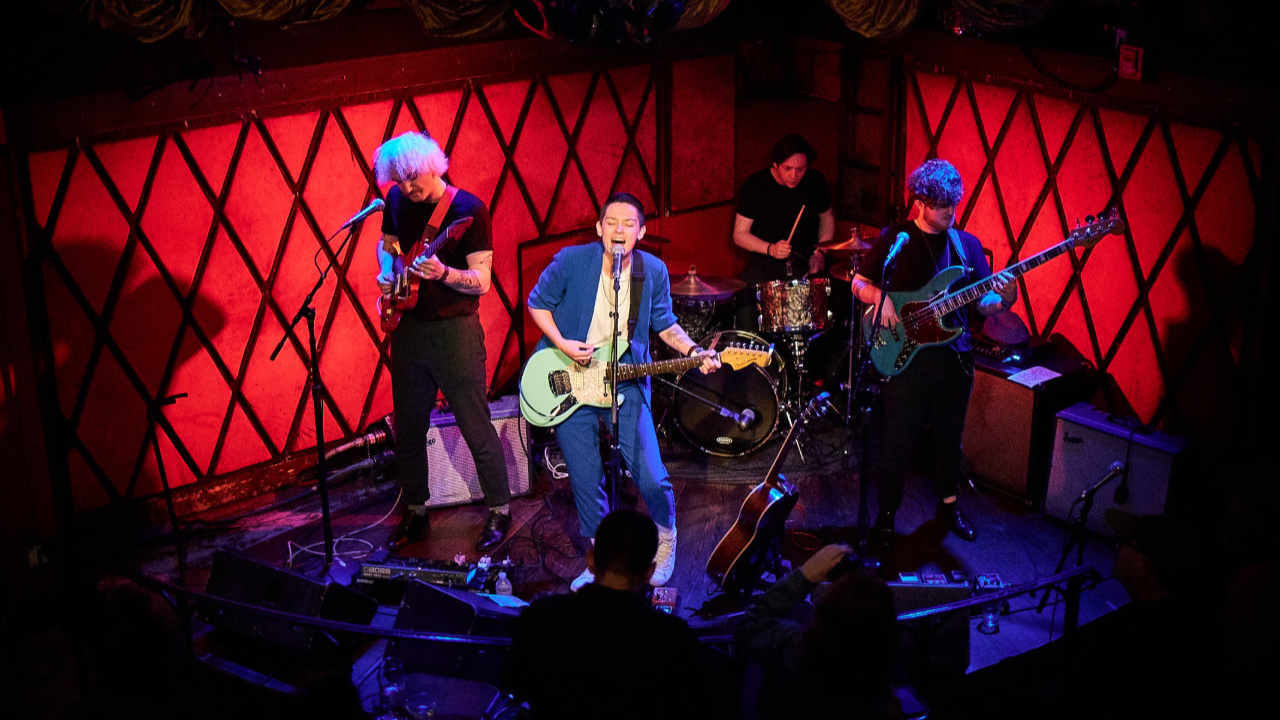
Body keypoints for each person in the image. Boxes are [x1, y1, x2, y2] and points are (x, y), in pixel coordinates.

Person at [526, 192, 719, 589]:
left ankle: (665, 542)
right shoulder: (570, 261)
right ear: (599, 229)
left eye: (628, 224)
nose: (619, 230)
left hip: (625, 379)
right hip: (571, 378)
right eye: (611, 222)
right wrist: (562, 343)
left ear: (641, 232)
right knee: (584, 475)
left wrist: (695, 351)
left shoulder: (654, 271)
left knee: (649, 474)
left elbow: (665, 324)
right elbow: (537, 303)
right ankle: (601, 561)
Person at [851, 158, 1016, 543]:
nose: (950, 214)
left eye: (954, 206)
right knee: (898, 439)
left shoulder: (966, 245)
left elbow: (982, 303)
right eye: (942, 207)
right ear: (921, 201)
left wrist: (1004, 300)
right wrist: (880, 298)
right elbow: (858, 282)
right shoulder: (897, 240)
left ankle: (949, 508)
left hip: (954, 358)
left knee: (949, 438)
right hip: (905, 358)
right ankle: (886, 517)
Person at [373, 131, 511, 552]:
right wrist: (387, 271)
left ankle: (500, 509)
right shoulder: (397, 201)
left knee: (474, 422)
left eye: (413, 178)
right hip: (410, 329)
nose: (407, 188)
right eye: (398, 181)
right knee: (409, 427)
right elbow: (388, 246)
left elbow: (482, 282)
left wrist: (445, 274)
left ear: (435, 166)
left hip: (455, 331)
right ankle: (415, 509)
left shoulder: (469, 210)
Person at [504, 509, 710, 720]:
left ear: (590, 560)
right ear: (650, 571)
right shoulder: (674, 639)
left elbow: (514, 688)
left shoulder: (540, 618)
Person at [735, 544, 904, 720]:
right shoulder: (881, 697)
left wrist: (804, 575)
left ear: (824, 611)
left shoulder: (796, 647)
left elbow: (748, 625)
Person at [733, 133, 835, 330]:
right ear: (775, 164)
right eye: (788, 169)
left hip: (805, 265)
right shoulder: (755, 185)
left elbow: (827, 219)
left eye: (801, 169)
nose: (794, 176)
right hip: (764, 266)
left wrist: (821, 253)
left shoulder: (815, 182)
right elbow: (739, 234)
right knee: (747, 312)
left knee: (826, 319)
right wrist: (770, 248)